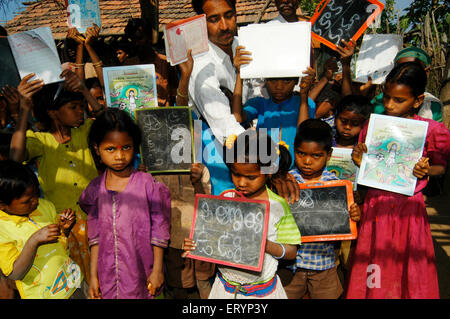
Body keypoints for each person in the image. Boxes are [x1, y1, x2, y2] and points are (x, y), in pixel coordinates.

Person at [346, 62, 450, 299]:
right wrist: (358, 159)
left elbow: (440, 168)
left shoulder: (432, 131)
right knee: (375, 263)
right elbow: (366, 168)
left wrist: (425, 169)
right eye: (387, 98)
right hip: (376, 206)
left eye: (399, 100)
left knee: (408, 266)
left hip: (409, 210)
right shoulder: (373, 126)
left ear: (417, 100)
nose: (390, 105)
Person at [189, 0, 300, 203]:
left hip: (252, 146)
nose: (224, 26)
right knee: (228, 211)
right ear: (200, 23)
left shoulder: (243, 45)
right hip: (217, 150)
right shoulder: (201, 65)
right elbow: (225, 127)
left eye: (229, 15)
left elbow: (261, 95)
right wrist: (270, 163)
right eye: (214, 20)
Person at [9, 70, 105, 284]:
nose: (80, 111)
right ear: (53, 112)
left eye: (81, 106)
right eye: (73, 107)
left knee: (101, 278)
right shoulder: (40, 141)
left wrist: (83, 90)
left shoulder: (85, 131)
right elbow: (15, 157)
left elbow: (108, 120)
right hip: (64, 226)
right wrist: (24, 110)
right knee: (77, 282)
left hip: (96, 221)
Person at [183, 130, 301, 299]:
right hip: (225, 289)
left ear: (270, 170)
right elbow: (213, 237)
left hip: (262, 293)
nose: (241, 182)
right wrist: (197, 244)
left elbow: (292, 251)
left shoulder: (278, 206)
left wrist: (267, 246)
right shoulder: (228, 199)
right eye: (236, 174)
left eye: (251, 177)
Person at [78, 108, 171, 299]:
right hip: (107, 278)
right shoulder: (95, 189)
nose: (119, 156)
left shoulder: (147, 185)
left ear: (134, 146)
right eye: (110, 149)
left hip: (141, 274)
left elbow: (160, 231)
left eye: (126, 147)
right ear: (97, 149)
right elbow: (95, 237)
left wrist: (158, 270)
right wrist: (93, 276)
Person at [278, 119, 361, 299]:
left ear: (328, 154)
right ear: (294, 150)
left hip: (324, 263)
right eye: (301, 153)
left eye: (316, 156)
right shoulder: (286, 181)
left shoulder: (336, 185)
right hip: (291, 265)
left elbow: (347, 218)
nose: (307, 161)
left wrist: (354, 214)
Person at [0, 160, 86, 299]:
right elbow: (15, 273)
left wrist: (64, 229)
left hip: (74, 281)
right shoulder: (2, 230)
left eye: (36, 194)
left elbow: (61, 245)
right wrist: (34, 241)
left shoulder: (45, 207)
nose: (35, 201)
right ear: (2, 205)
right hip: (44, 294)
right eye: (27, 201)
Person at [231, 45, 316, 169]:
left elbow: (305, 133)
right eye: (273, 81)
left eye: (286, 81)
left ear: (297, 81)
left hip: (293, 171)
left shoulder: (305, 103)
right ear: (265, 80)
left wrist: (304, 95)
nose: (279, 87)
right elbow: (237, 117)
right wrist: (240, 74)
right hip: (264, 170)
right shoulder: (260, 103)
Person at [371, 46, 443, 123]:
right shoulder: (378, 102)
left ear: (427, 72)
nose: (389, 105)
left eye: (413, 69)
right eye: (400, 68)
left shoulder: (431, 105)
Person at [124, 18, 178, 107]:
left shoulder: (165, 62)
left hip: (163, 116)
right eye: (133, 40)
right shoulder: (128, 65)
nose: (136, 43)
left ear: (149, 37)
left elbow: (175, 90)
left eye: (140, 38)